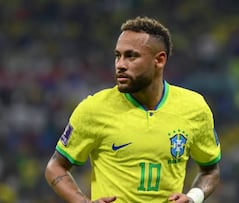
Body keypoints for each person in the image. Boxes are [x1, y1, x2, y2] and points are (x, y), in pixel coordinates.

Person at [45, 16, 221, 203]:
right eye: (117, 56)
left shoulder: (194, 108)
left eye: (131, 56)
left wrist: (193, 198)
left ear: (159, 60)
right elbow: (55, 167)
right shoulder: (94, 109)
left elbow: (210, 170)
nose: (120, 65)